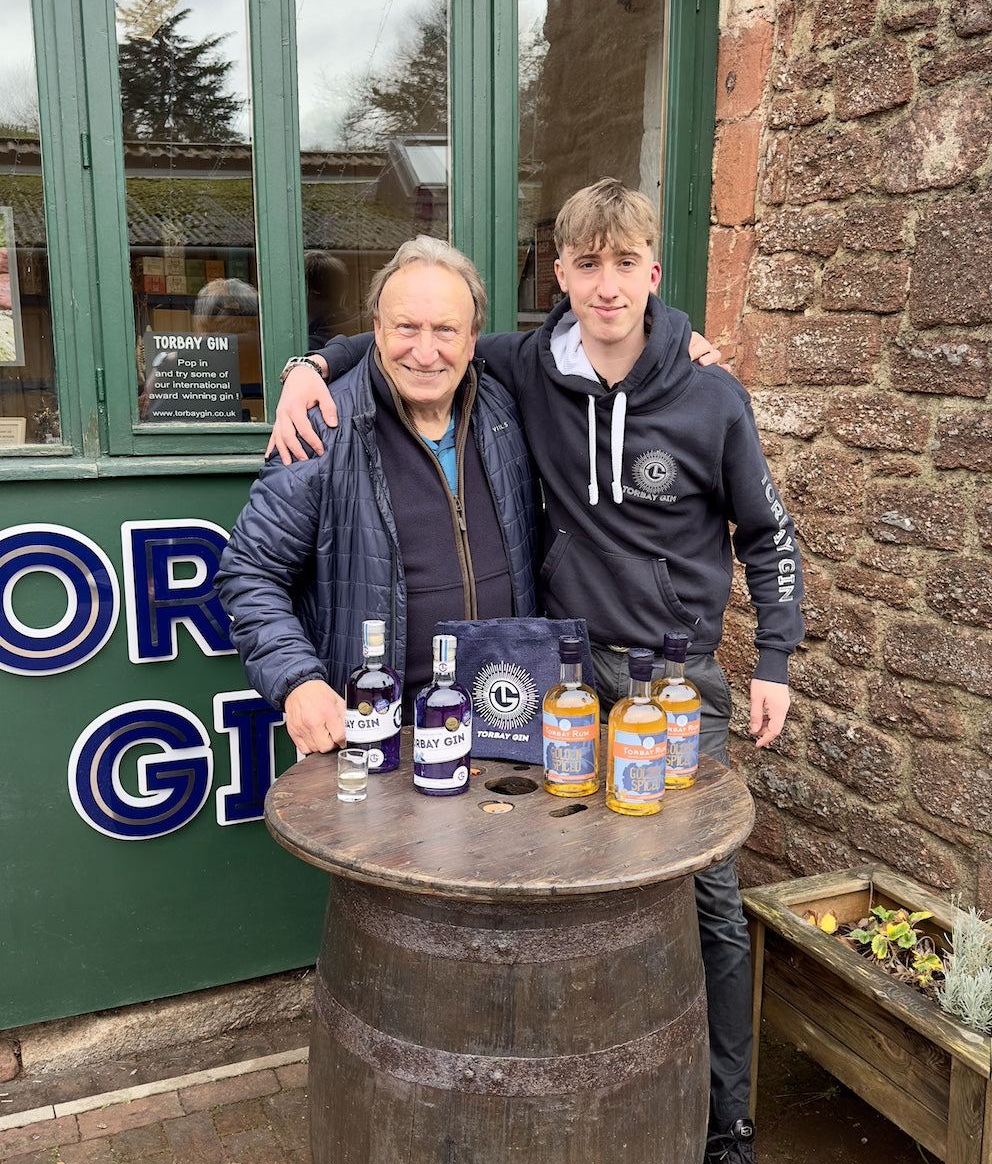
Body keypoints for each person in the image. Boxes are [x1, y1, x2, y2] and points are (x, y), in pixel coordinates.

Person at [267, 179, 805, 1164]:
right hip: (558, 671)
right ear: (557, 275)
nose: (606, 286)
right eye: (585, 264)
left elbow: (766, 532)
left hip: (673, 682)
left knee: (702, 897)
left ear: (652, 269)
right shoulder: (523, 367)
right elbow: (413, 338)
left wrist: (772, 654)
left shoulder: (706, 392)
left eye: (625, 264)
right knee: (556, 887)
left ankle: (722, 1118)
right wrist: (312, 361)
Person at [215, 236, 538, 751]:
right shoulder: (322, 427)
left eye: (446, 330)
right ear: (377, 332)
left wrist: (678, 343)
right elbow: (250, 572)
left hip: (506, 727)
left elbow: (599, 345)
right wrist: (298, 680)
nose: (426, 351)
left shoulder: (506, 409)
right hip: (375, 735)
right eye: (406, 327)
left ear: (473, 339)